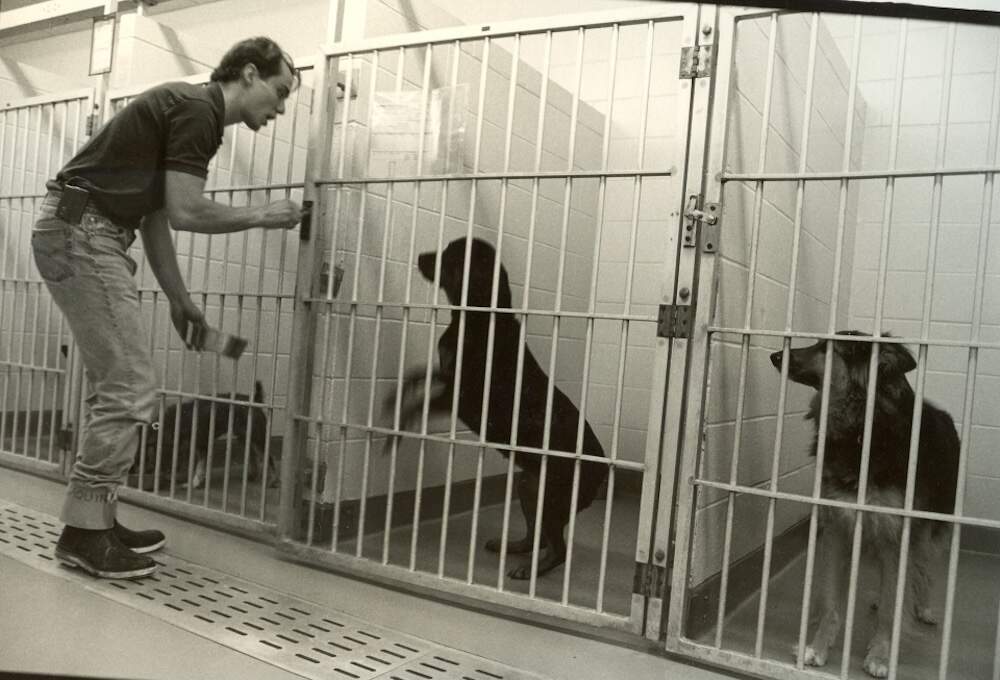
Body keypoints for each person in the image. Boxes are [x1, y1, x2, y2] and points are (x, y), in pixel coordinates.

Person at [31, 37, 304, 579]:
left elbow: (155, 217)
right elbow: (185, 211)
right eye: (279, 92)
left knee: (117, 386)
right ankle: (83, 535)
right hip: (84, 232)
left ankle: (95, 520)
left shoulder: (190, 109)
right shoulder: (199, 110)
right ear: (249, 74)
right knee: (130, 387)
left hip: (83, 229)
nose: (280, 108)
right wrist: (262, 214)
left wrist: (182, 302)